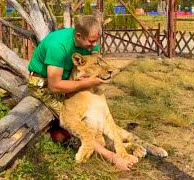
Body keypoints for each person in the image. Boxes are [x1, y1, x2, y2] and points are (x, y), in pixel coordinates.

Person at [27, 16, 135, 171]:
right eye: (91, 42)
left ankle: (120, 142)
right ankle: (111, 157)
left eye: (96, 40)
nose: (94, 45)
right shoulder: (58, 45)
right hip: (43, 84)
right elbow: (55, 86)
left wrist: (89, 80)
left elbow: (91, 66)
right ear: (78, 36)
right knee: (71, 118)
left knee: (96, 111)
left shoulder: (90, 44)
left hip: (72, 79)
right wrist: (86, 83)